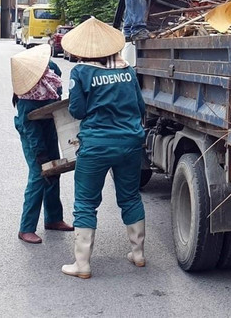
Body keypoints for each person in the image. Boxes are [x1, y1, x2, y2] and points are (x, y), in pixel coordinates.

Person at [59, 17, 146, 279]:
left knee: (86, 202)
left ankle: (82, 265)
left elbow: (77, 110)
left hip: (96, 145)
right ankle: (138, 254)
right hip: (130, 143)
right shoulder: (127, 70)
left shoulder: (81, 72)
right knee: (130, 197)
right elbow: (140, 107)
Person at [10, 44, 74, 244]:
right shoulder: (25, 94)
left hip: (49, 126)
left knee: (54, 171)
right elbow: (30, 129)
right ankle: (26, 228)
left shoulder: (52, 69)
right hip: (32, 133)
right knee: (39, 174)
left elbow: (59, 95)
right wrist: (40, 153)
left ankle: (53, 218)